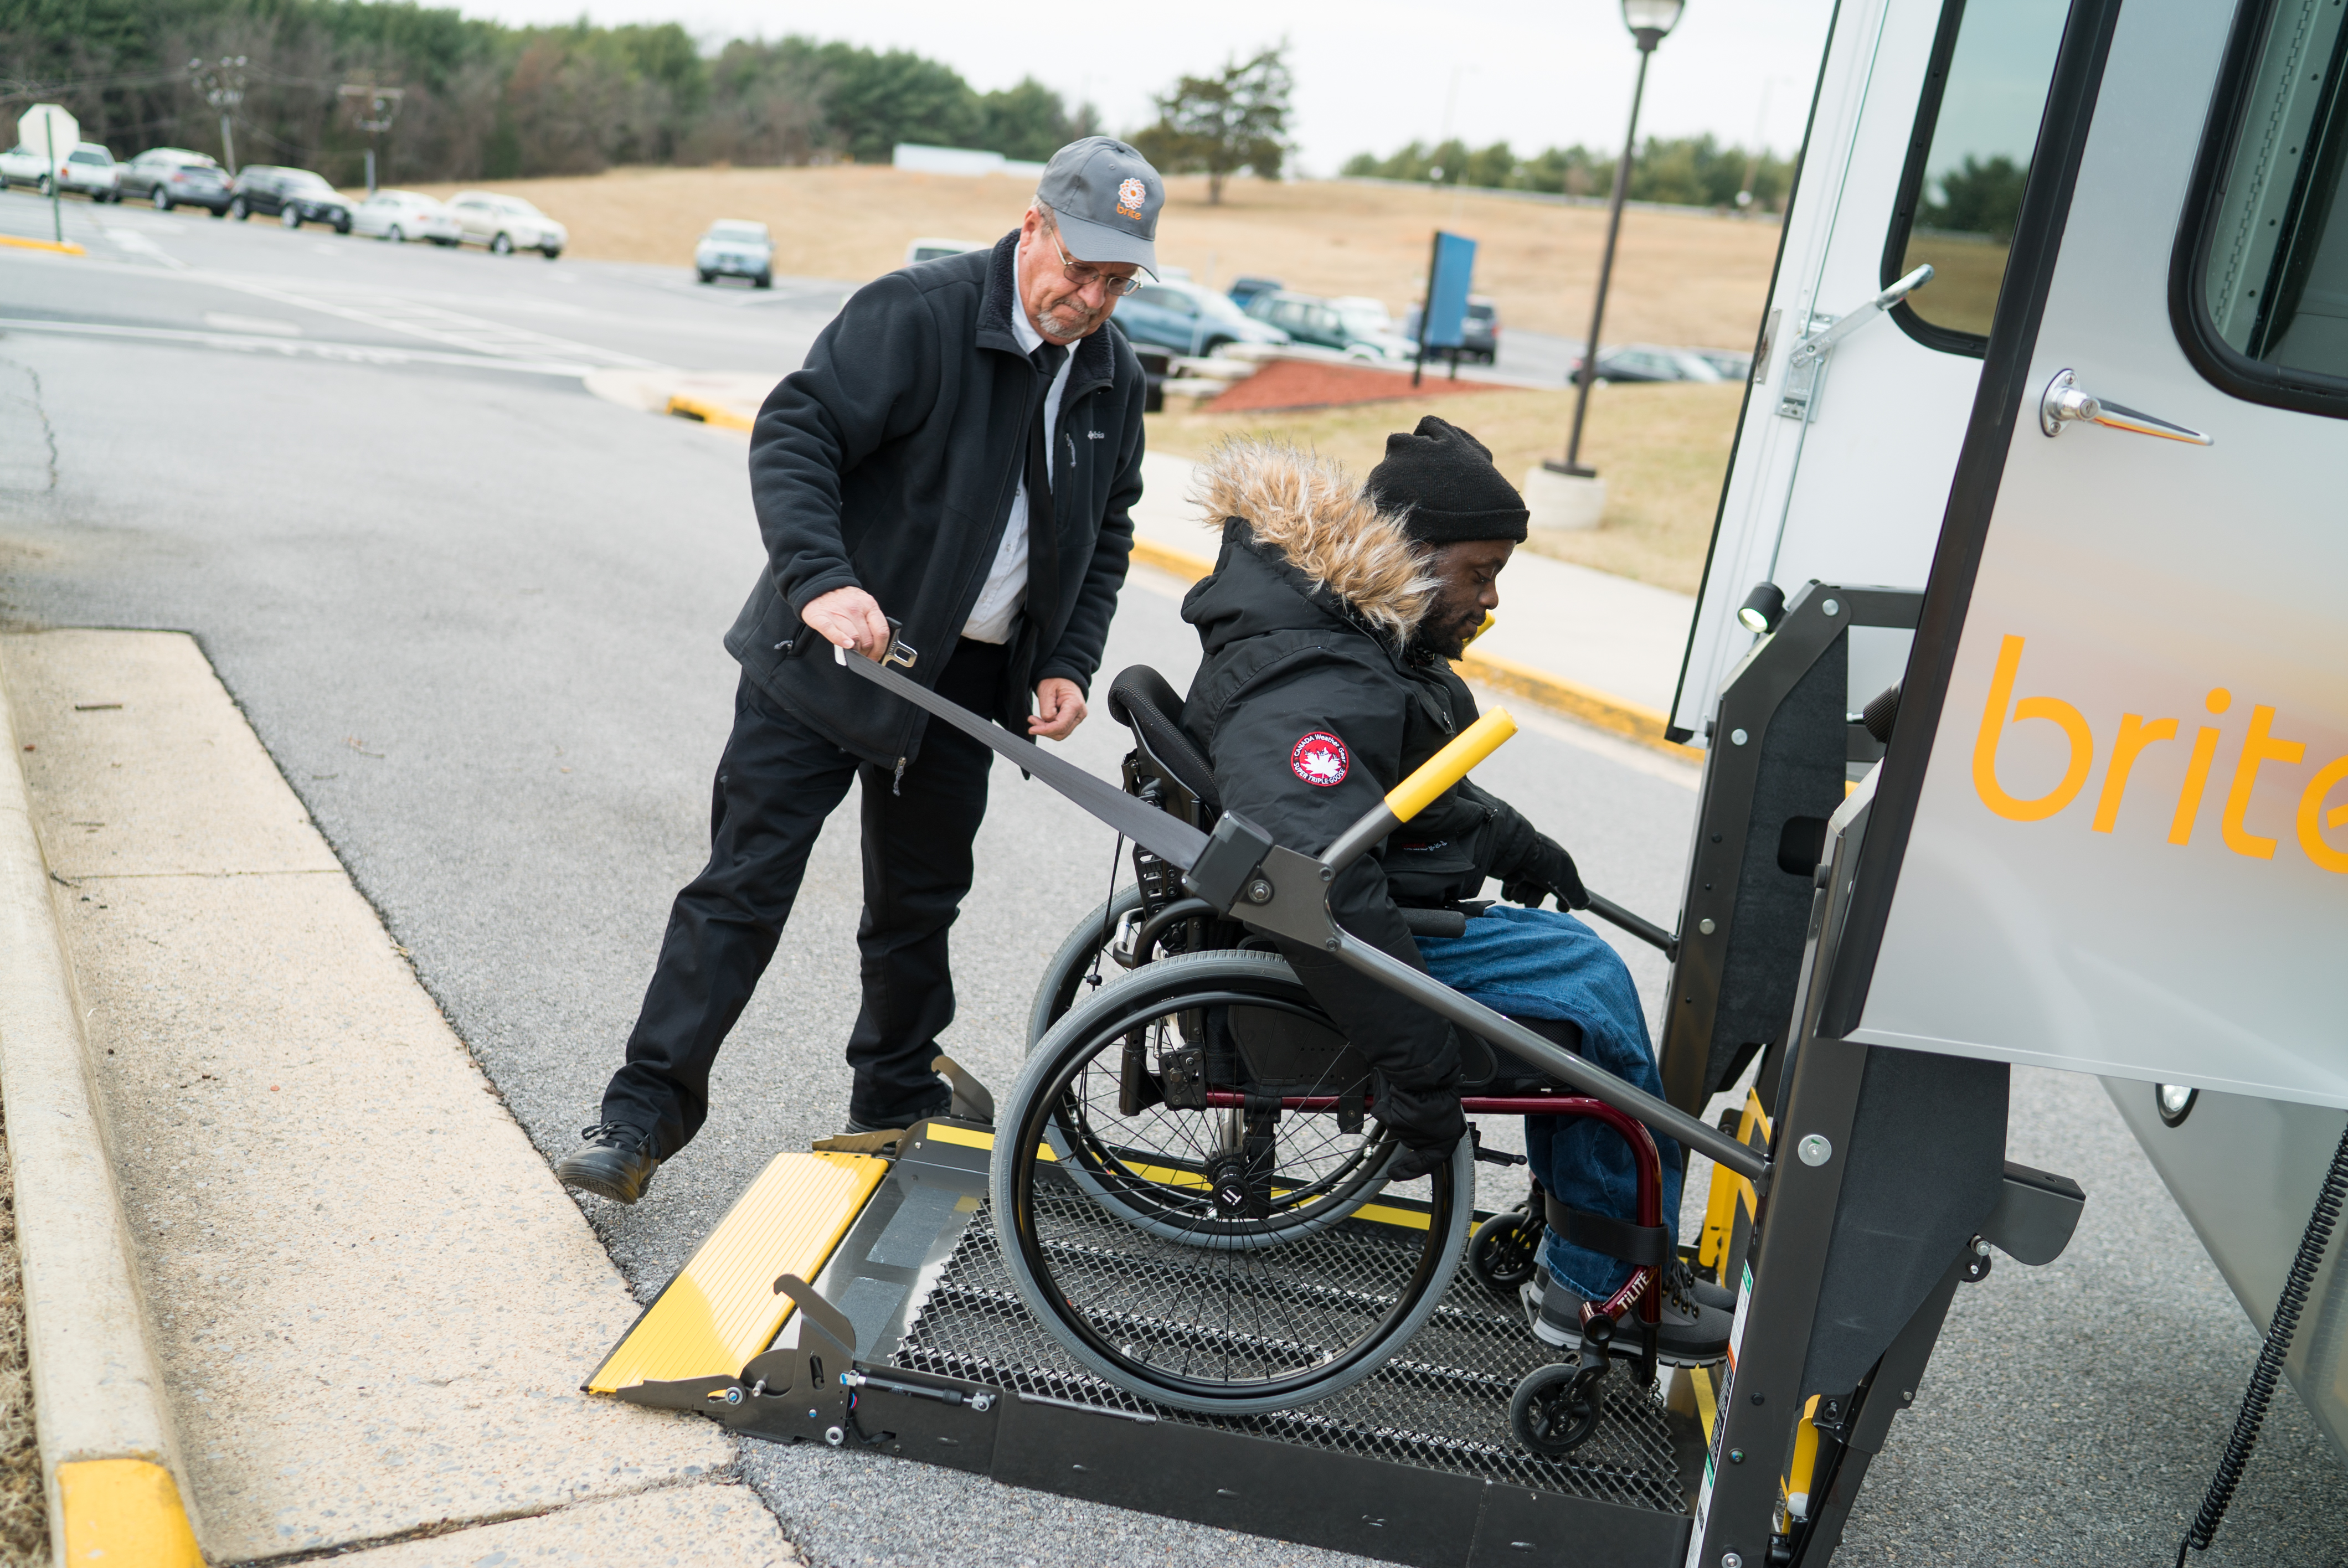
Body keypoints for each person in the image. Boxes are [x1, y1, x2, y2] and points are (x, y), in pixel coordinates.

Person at [555, 137, 1162, 1204]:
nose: (1092, 297)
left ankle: (890, 1091)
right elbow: (797, 433)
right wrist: (820, 580)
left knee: (921, 900)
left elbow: (1107, 527)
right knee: (743, 889)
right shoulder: (918, 314)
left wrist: (1065, 658)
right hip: (834, 657)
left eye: (1118, 281)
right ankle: (640, 1116)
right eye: (1081, 267)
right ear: (1033, 227)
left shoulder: (1113, 377)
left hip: (966, 685)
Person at [1177, 417, 1731, 1361]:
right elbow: (1310, 881)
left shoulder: (1342, 629)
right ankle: (1602, 1290)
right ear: (1415, 555)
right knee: (1589, 991)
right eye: (1481, 573)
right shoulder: (1314, 671)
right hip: (1326, 951)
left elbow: (1405, 789)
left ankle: (1584, 1247)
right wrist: (1420, 1065)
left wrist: (1519, 842)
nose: (1491, 599)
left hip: (1371, 912)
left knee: (1581, 975)